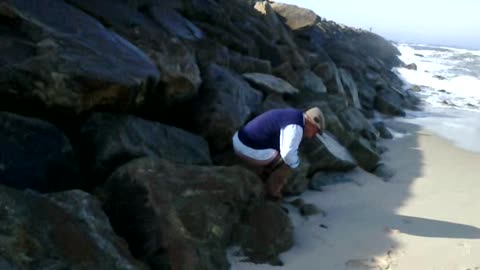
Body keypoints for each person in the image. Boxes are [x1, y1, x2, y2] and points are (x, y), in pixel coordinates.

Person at [232, 107, 325, 199]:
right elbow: (287, 154)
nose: (314, 135)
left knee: (285, 156)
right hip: (245, 146)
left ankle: (264, 176)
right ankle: (273, 194)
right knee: (288, 163)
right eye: (316, 131)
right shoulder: (295, 127)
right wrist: (296, 164)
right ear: (311, 123)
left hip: (242, 138)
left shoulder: (294, 115)